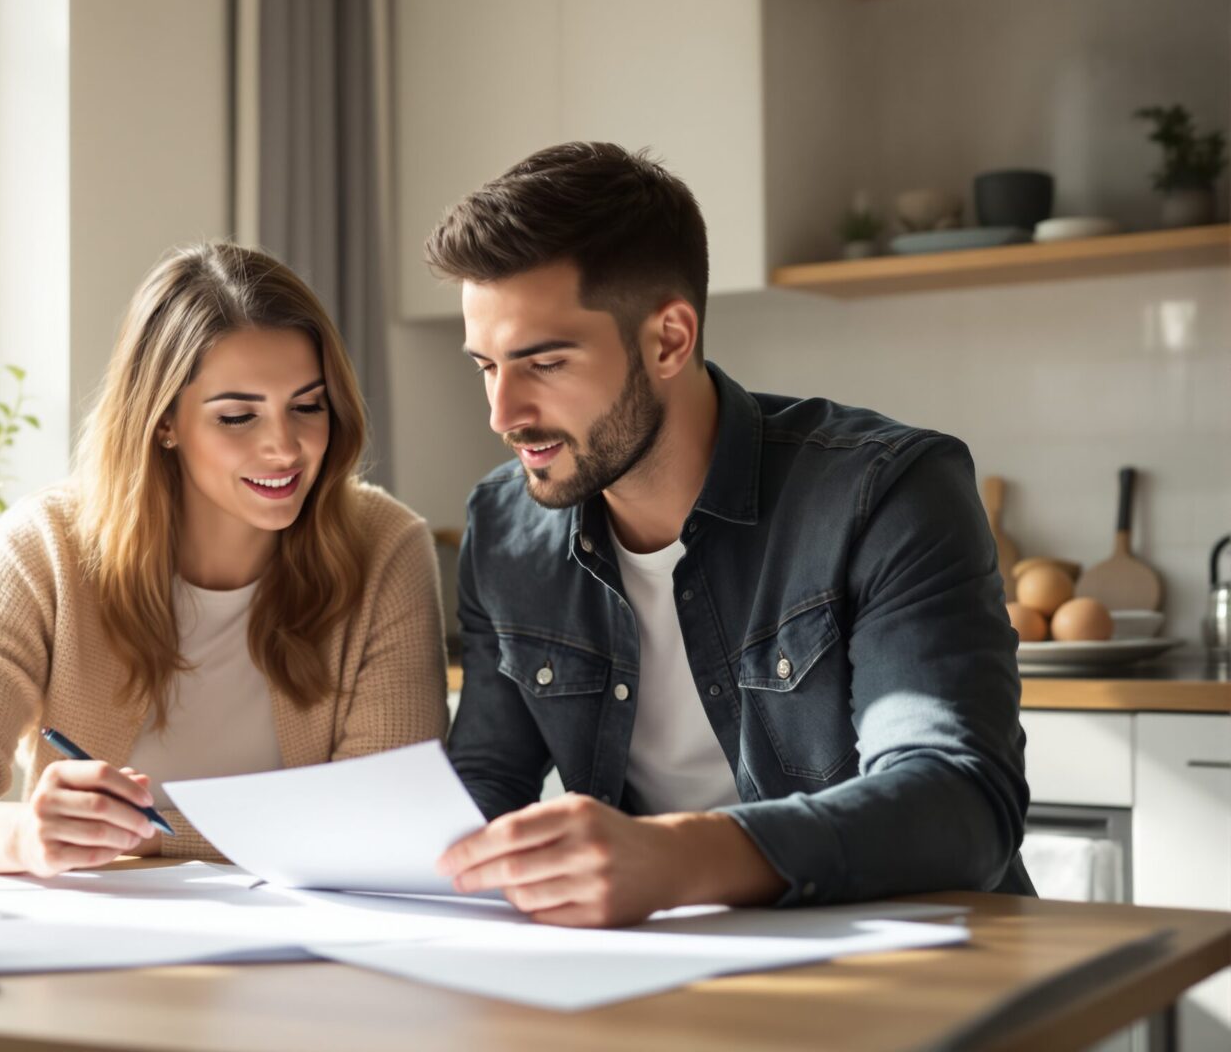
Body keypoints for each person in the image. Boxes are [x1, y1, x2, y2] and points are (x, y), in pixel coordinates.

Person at [427, 143, 1032, 927]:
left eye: (543, 363)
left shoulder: (885, 491)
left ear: (670, 339)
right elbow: (485, 782)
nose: (502, 413)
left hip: (912, 971)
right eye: (485, 365)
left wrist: (679, 858)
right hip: (666, 973)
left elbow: (958, 799)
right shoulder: (505, 525)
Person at [0, 242, 449, 876]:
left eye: (308, 407)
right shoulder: (45, 547)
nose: (285, 448)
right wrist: (20, 836)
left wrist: (151, 835)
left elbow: (384, 814)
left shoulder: (384, 547)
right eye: (237, 416)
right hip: (102, 945)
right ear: (164, 422)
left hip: (302, 947)